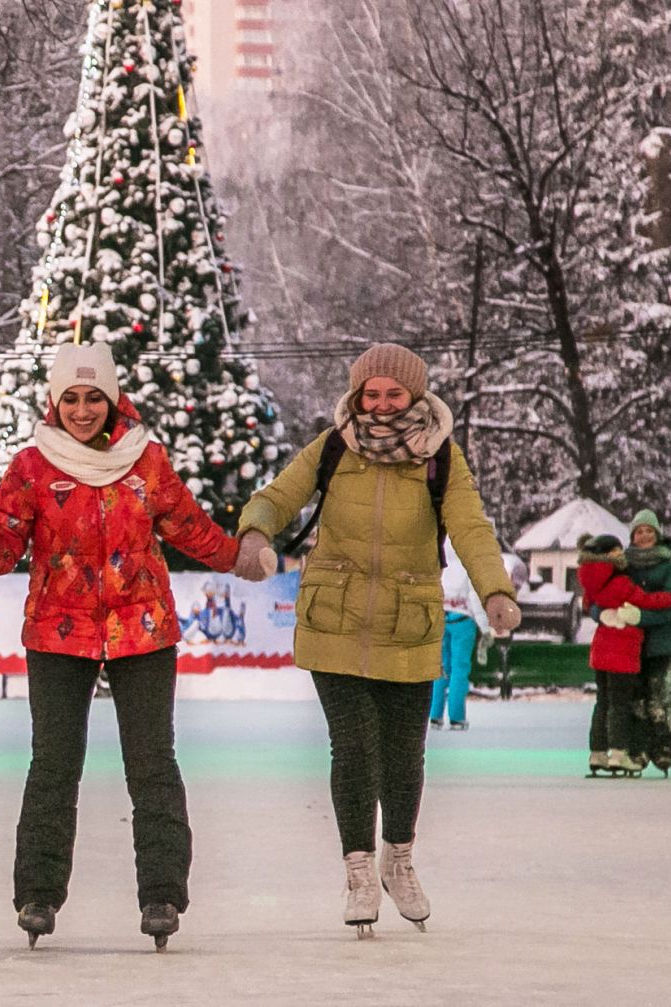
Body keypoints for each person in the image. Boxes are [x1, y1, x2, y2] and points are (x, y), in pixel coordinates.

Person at [0, 340, 273, 951]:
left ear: (113, 400)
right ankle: (38, 894)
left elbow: (190, 528)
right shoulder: (32, 466)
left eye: (94, 398)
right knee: (54, 763)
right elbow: (3, 549)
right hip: (58, 629)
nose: (83, 411)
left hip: (143, 628)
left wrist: (239, 558)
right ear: (55, 402)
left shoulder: (146, 461)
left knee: (152, 762)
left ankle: (161, 894)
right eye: (72, 398)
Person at [236, 343, 520, 938]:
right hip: (333, 621)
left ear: (415, 395)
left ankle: (399, 859)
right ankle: (359, 870)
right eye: (373, 393)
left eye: (395, 393)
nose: (383, 404)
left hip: (408, 624)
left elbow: (470, 525)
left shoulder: (442, 456)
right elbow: (277, 494)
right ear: (358, 395)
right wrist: (254, 532)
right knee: (354, 746)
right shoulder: (334, 445)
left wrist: (495, 590)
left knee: (404, 754)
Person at [576, 534, 671, 778]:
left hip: (601, 650)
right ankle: (619, 752)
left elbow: (588, 606)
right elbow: (645, 600)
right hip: (623, 651)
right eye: (618, 550)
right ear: (611, 554)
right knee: (620, 704)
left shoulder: (591, 581)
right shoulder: (620, 581)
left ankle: (597, 752)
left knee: (603, 702)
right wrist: (670, 597)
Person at [623, 510, 671, 774]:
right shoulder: (626, 566)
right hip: (632, 645)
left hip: (660, 643)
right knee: (636, 702)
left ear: (657, 534)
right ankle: (638, 750)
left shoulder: (669, 566)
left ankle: (663, 750)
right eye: (639, 532)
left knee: (659, 702)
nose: (644, 536)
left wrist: (641, 616)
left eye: (649, 531)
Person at [429, 546, 490, 730]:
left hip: (442, 619)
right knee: (459, 670)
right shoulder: (468, 568)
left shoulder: (442, 567)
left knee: (440, 669)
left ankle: (434, 715)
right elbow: (475, 599)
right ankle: (456, 718)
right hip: (463, 621)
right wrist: (485, 627)